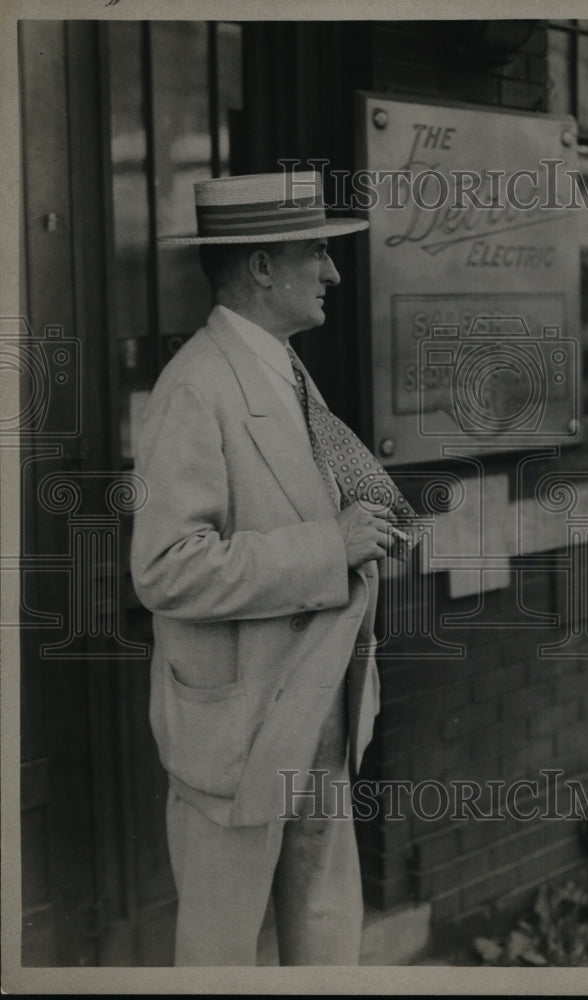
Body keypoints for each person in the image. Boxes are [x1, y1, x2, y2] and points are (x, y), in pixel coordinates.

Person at [130, 170, 417, 966]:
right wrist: (330, 547)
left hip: (318, 708)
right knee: (224, 955)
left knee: (324, 933)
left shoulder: (281, 369)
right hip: (238, 735)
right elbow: (164, 568)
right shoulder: (195, 387)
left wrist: (367, 532)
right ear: (261, 267)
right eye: (315, 252)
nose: (331, 272)